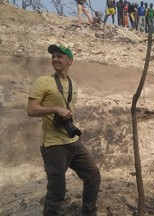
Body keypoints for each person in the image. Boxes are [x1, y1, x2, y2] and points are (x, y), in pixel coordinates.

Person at [27, 45, 101, 216]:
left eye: (60, 56)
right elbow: (31, 110)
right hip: (53, 146)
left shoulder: (73, 83)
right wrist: (55, 109)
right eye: (53, 56)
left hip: (73, 141)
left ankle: (89, 212)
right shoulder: (43, 81)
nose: (55, 59)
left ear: (70, 61)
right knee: (57, 191)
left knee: (93, 176)